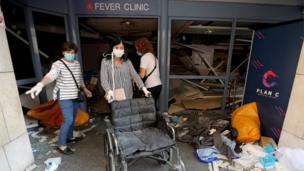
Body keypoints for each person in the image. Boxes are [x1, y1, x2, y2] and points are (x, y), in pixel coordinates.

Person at [26, 42, 92, 155]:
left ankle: (70, 137)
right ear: (63, 52)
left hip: (75, 96)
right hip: (64, 97)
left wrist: (85, 89)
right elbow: (51, 75)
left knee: (73, 117)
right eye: (68, 52)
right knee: (68, 120)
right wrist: (40, 84)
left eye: (72, 52)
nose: (70, 54)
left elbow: (79, 78)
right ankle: (61, 145)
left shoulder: (76, 63)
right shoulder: (58, 64)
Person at [100, 37, 151, 103]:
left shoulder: (127, 62)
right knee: (117, 113)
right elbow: (104, 79)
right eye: (116, 47)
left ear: (124, 50)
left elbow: (135, 76)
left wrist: (143, 88)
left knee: (127, 112)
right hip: (113, 96)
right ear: (112, 48)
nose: (119, 50)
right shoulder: (105, 62)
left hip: (128, 95)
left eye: (121, 48)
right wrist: (108, 91)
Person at [134, 37, 162, 108]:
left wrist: (133, 76)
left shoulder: (145, 57)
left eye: (137, 47)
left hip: (151, 87)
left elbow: (141, 75)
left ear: (141, 47)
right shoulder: (153, 57)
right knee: (153, 107)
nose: (136, 49)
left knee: (147, 108)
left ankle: (151, 119)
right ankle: (156, 118)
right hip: (158, 85)